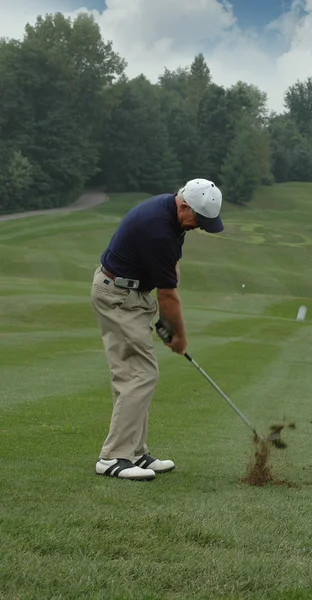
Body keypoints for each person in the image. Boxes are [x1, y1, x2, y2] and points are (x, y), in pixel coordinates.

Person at [91, 178, 224, 481]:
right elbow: (167, 295)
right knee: (140, 374)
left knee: (136, 374)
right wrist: (179, 337)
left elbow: (170, 270)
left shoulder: (173, 216)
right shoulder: (158, 228)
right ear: (185, 205)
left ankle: (135, 452)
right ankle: (113, 457)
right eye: (198, 220)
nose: (199, 226)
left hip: (131, 296)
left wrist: (167, 327)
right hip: (118, 297)